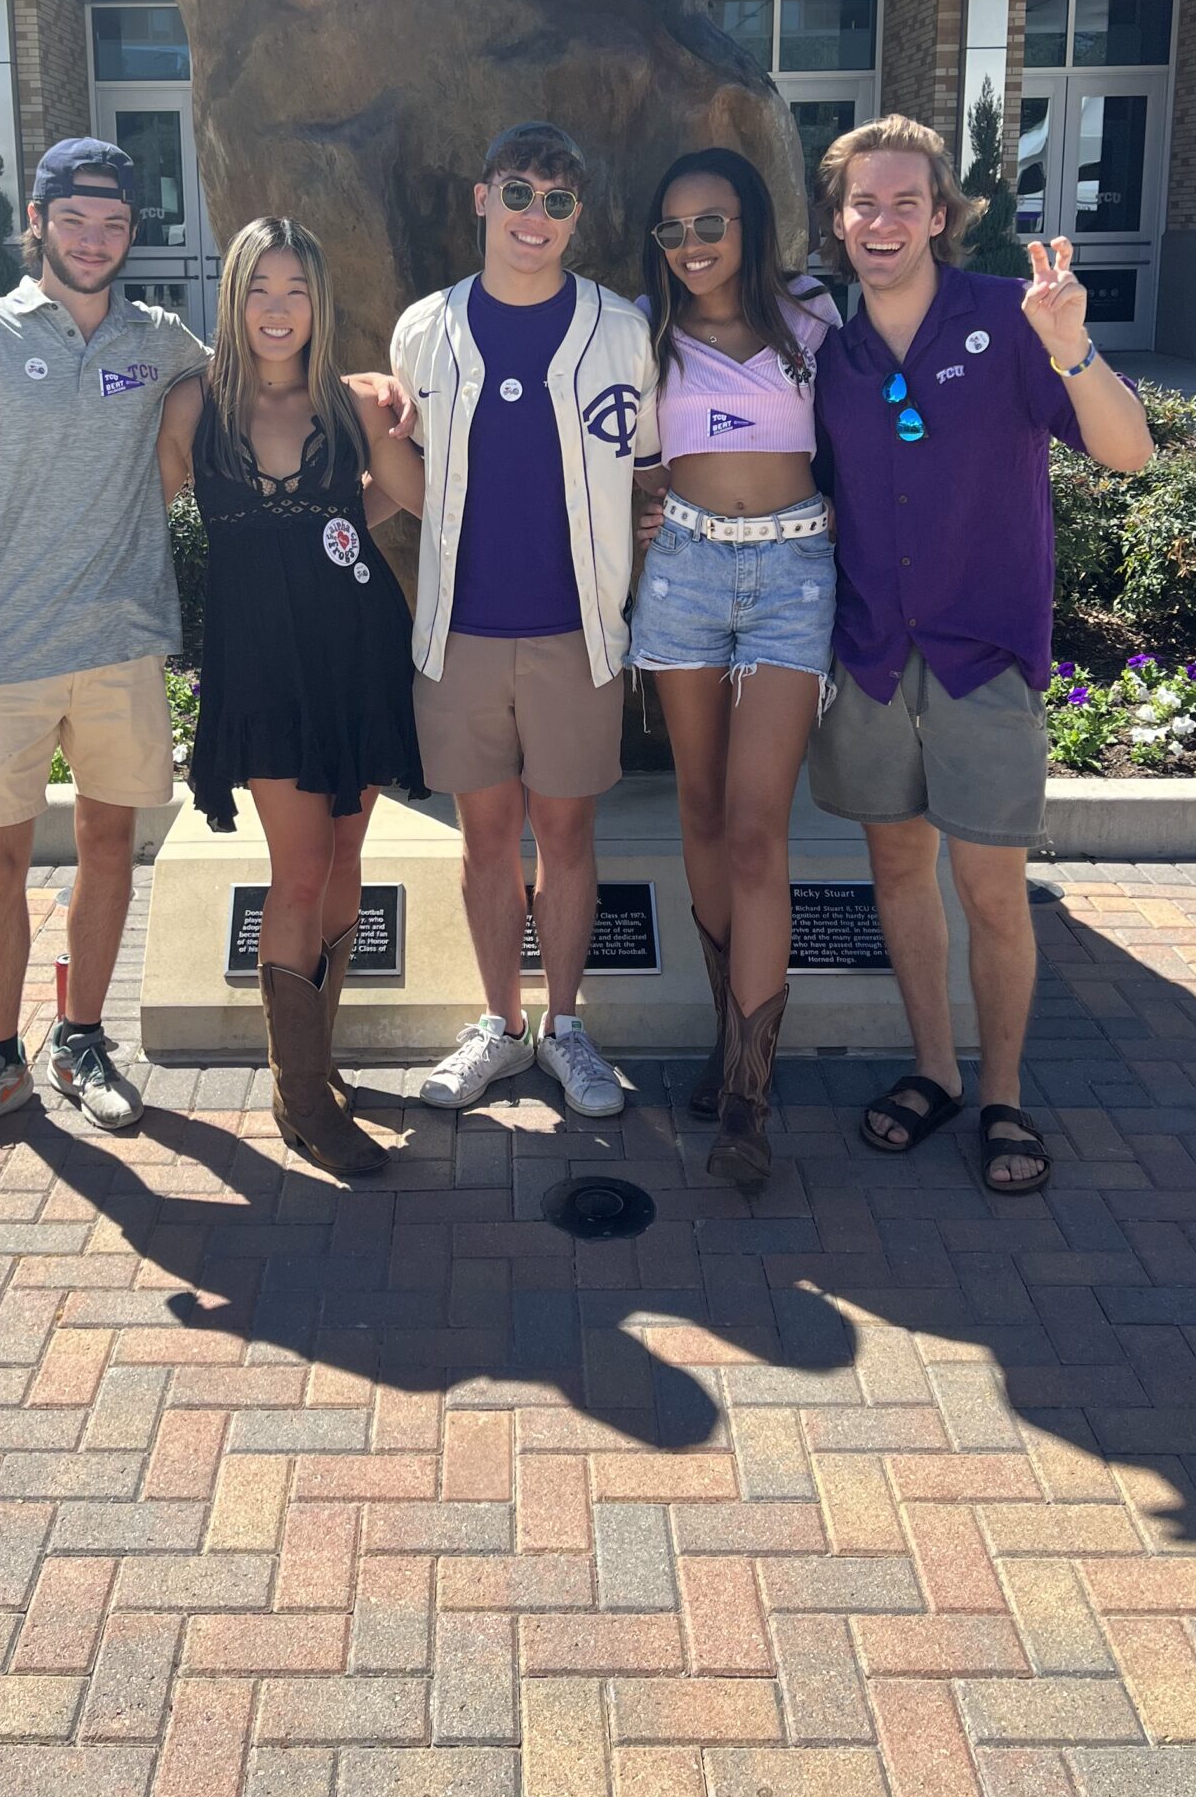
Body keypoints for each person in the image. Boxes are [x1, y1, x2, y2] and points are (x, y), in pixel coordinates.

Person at [809, 114, 1153, 1197]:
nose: (884, 220)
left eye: (906, 202)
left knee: (991, 888)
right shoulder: (830, 348)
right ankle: (932, 1070)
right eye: (865, 202)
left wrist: (1074, 350)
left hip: (983, 654)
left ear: (941, 217)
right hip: (869, 655)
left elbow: (1130, 453)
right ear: (838, 219)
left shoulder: (1011, 320)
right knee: (899, 871)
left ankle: (1002, 1091)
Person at [0, 139, 206, 1158]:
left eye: (114, 223)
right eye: (74, 220)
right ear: (36, 219)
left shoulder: (159, 340)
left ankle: (80, 1043)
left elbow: (238, 395)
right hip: (3, 651)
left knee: (112, 849)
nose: (95, 240)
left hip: (121, 644)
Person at [391, 121, 660, 1121]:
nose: (533, 218)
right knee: (484, 840)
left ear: (576, 217)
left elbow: (649, 467)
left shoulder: (618, 330)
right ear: (481, 198)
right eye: (518, 194)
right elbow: (404, 463)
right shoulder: (427, 327)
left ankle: (566, 1026)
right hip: (458, 632)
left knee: (569, 834)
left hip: (575, 631)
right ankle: (500, 1025)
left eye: (555, 201)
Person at [160, 218, 427, 1177]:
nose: (278, 310)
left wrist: (418, 413)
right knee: (300, 868)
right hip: (262, 667)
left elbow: (419, 498)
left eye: (296, 291)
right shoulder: (196, 405)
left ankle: (317, 1061)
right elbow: (128, 507)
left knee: (350, 851)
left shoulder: (350, 403)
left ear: (320, 301)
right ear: (232, 300)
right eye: (258, 290)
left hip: (355, 649)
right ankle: (303, 1098)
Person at [629, 149, 839, 1185]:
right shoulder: (642, 331)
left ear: (749, 225)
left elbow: (873, 432)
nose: (692, 246)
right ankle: (727, 1035)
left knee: (759, 831)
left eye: (710, 223)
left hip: (794, 576)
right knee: (700, 813)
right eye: (672, 230)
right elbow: (612, 457)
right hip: (684, 576)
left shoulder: (811, 318)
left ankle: (750, 1095)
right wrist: (634, 511)